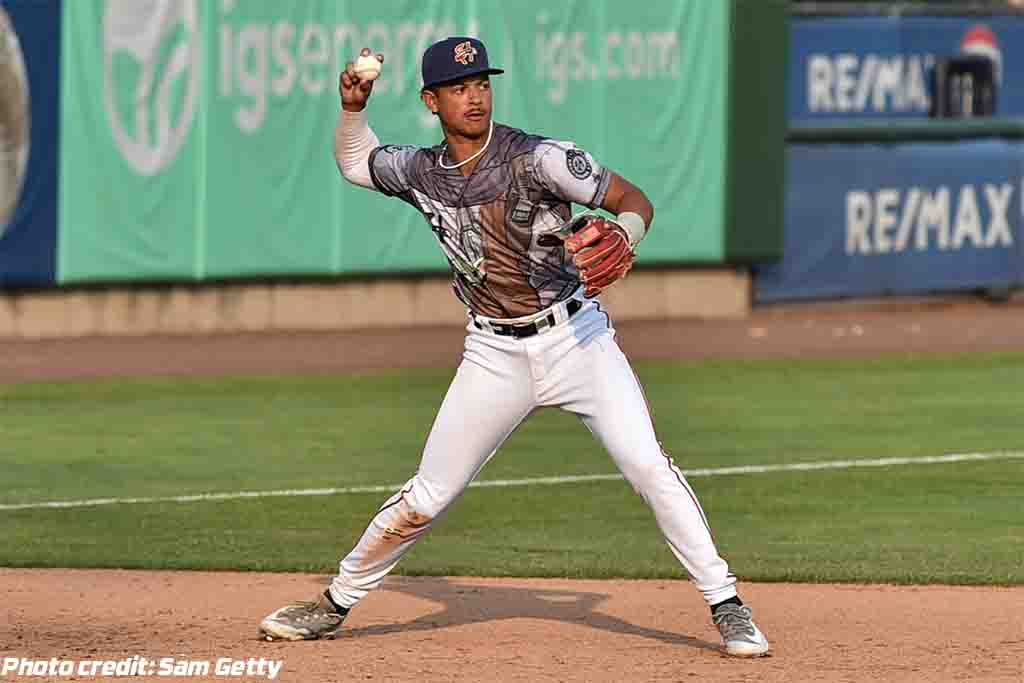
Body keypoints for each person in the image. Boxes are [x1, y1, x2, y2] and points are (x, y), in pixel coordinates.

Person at [259, 36, 769, 657]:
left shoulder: (538, 158)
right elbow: (355, 161)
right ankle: (334, 602)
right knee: (427, 496)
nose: (474, 96)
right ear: (431, 100)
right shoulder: (422, 171)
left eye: (481, 83)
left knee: (647, 466)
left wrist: (626, 235)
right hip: (493, 353)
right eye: (457, 87)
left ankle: (727, 604)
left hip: (577, 338)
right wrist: (352, 107)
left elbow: (633, 199)